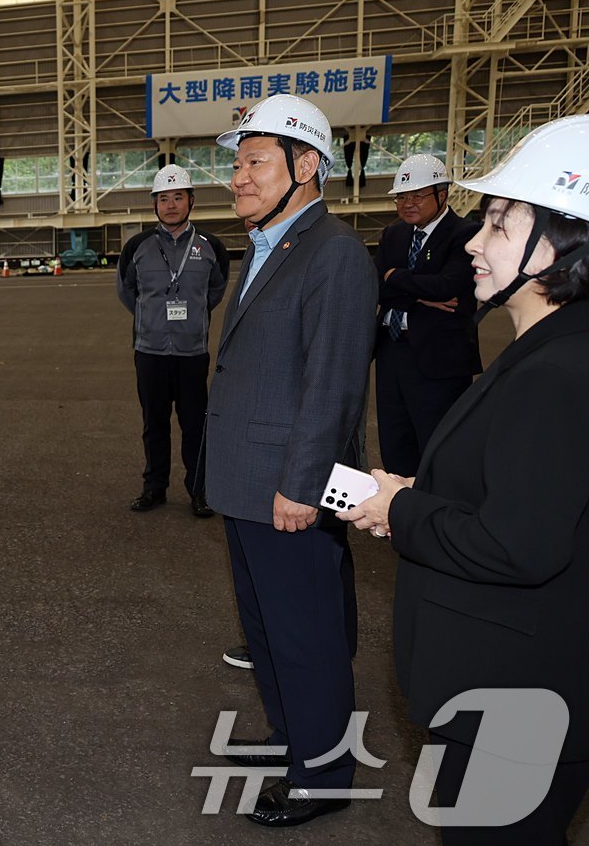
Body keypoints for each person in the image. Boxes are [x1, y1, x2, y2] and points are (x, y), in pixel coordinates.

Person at [341, 115, 589, 844]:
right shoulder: (547, 350)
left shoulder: (558, 373)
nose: (475, 244)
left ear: (565, 244)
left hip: (518, 703)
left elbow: (520, 544)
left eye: (502, 224)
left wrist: (405, 507)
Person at [203, 94, 378, 827]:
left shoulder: (332, 253)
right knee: (269, 629)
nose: (237, 177)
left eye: (253, 162)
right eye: (237, 164)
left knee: (305, 635)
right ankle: (294, 740)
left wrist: (301, 487)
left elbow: (332, 384)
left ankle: (324, 773)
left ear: (307, 166)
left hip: (288, 490)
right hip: (248, 483)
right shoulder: (265, 245)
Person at [117, 164, 229, 517]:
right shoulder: (137, 246)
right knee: (154, 424)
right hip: (149, 352)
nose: (170, 204)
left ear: (190, 201)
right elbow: (127, 292)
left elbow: (215, 292)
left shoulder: (212, 247)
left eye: (177, 197)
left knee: (195, 424)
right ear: (154, 205)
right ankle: (154, 488)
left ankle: (200, 491)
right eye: (163, 198)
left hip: (192, 353)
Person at [374, 154, 481, 476]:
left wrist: (396, 278)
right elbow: (374, 285)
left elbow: (448, 285)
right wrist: (420, 295)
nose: (407, 203)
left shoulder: (465, 233)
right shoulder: (394, 234)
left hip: (439, 359)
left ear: (442, 193)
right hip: (391, 352)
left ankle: (434, 516)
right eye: (401, 197)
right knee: (395, 441)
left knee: (437, 445)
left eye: (417, 195)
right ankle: (398, 514)